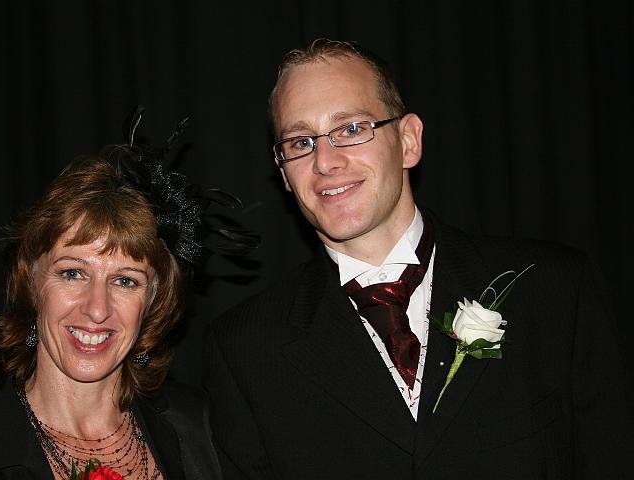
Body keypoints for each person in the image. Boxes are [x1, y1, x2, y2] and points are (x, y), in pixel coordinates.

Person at [201, 38, 633, 479]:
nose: (325, 161)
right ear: (284, 173)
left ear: (408, 141)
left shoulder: (556, 289)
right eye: (300, 142)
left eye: (351, 129)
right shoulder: (245, 349)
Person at [0, 109, 226, 479]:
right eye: (73, 273)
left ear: (152, 302)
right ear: (32, 285)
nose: (97, 309)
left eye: (125, 281)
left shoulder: (202, 429)